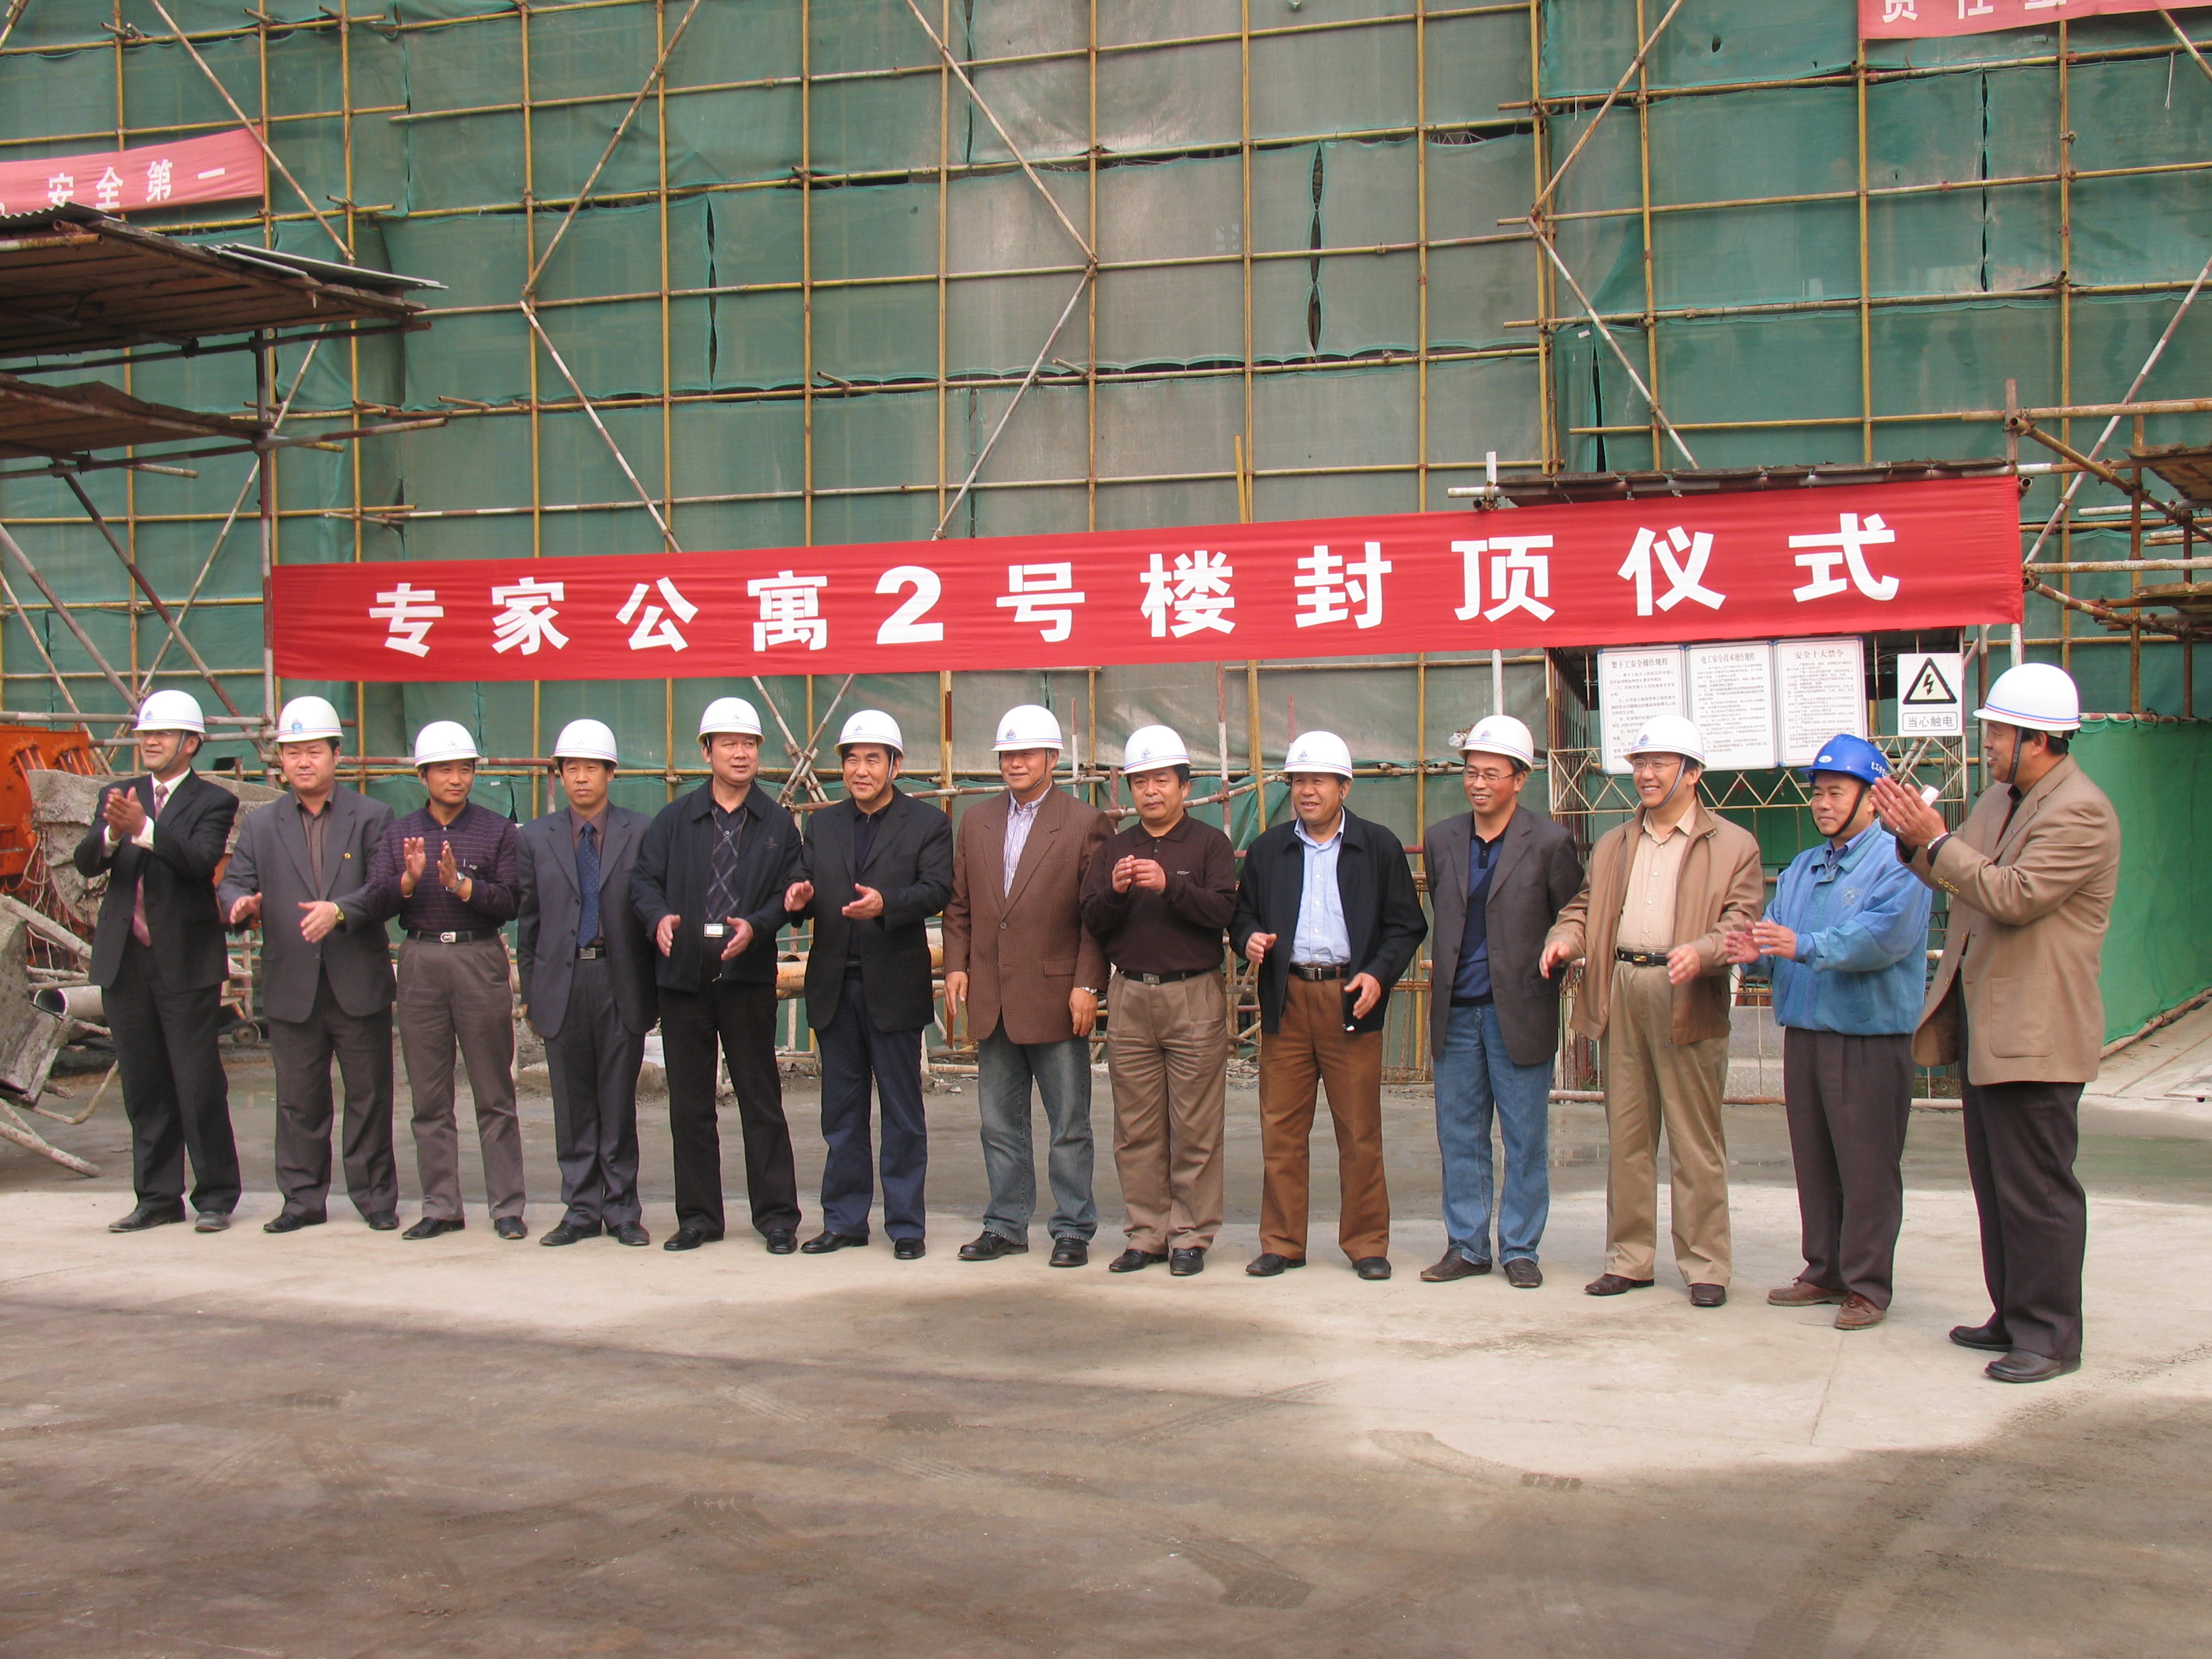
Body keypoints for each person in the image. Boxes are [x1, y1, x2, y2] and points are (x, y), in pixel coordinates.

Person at [1869, 662, 2120, 1383]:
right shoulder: (2003, 799)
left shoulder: (2081, 812)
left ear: (2038, 739)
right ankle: (2012, 1313)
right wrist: (1911, 839)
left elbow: (2012, 894)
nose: (1990, 744)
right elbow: (1957, 874)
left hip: (2038, 1031)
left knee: (2037, 1190)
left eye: (2000, 733)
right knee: (1998, 1183)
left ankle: (2050, 1335)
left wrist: (1937, 839)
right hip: (1991, 1025)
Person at [1540, 716, 1762, 1307]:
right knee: (1628, 1136)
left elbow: (1741, 920)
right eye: (1640, 763)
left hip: (1688, 992)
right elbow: (1585, 907)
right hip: (1621, 987)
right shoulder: (1616, 843)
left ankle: (1706, 1265)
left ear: (1692, 774)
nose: (1646, 774)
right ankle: (1629, 1259)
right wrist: (1564, 939)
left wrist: (1703, 951)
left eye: (1660, 763)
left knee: (1695, 1138)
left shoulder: (1733, 845)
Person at [1723, 733, 1932, 1330]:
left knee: (1867, 1167)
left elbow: (1882, 938)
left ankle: (1867, 1285)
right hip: (1807, 1033)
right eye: (1817, 793)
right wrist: (1756, 953)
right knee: (1815, 1161)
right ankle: (1825, 1269)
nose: (1822, 804)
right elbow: (1777, 936)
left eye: (1836, 792)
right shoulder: (1801, 869)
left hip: (1868, 1039)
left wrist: (1803, 945)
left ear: (1873, 799)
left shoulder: (1901, 862)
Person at [1231, 730, 1427, 1279]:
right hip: (1287, 999)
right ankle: (1282, 1242)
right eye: (1298, 781)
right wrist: (1248, 939)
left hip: (1349, 999)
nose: (1307, 791)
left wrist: (1378, 975)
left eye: (1319, 781)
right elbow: (1242, 914)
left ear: (1345, 787)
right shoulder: (1269, 850)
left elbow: (1406, 926)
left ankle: (1367, 1244)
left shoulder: (1377, 847)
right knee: (1281, 1130)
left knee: (1359, 1130)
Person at [217, 695, 398, 1233]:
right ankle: (301, 1200)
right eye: (292, 752)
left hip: (356, 980)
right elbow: (235, 881)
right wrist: (238, 904)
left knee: (369, 1096)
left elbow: (386, 888)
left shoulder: (371, 817)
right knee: (298, 1101)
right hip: (292, 982)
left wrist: (340, 911)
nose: (302, 762)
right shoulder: (261, 824)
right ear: (281, 759)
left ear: (336, 756)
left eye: (313, 751)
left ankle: (375, 1197)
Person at [631, 697, 806, 1254]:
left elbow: (790, 890)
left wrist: (761, 923)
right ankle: (699, 1218)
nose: (740, 753)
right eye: (728, 743)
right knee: (690, 1106)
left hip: (747, 974)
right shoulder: (674, 819)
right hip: (684, 974)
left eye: (749, 744)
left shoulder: (777, 823)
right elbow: (643, 881)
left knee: (761, 1100)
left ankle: (776, 1218)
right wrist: (657, 917)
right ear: (706, 751)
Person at [942, 703, 1113, 1267]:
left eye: (1026, 754)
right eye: (1007, 755)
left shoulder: (1084, 822)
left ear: (1052, 758)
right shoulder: (977, 822)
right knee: (998, 1122)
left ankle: (1073, 1228)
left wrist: (1088, 984)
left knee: (1069, 1123)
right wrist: (957, 965)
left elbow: (1096, 917)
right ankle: (1006, 1223)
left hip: (1056, 997)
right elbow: (960, 906)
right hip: (992, 996)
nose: (1015, 763)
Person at [1419, 715, 1582, 1289]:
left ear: (1520, 779)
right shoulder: (1442, 839)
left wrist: (1558, 951)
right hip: (1457, 1012)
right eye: (1471, 772)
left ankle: (1519, 1247)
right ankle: (1467, 1245)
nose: (1478, 783)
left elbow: (1571, 912)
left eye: (1492, 773)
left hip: (1520, 1011)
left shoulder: (1551, 843)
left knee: (1524, 1137)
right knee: (1459, 1134)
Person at [785, 710, 953, 1259]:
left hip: (894, 987)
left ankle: (905, 1226)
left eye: (873, 759)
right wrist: (798, 897)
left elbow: (937, 889)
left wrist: (888, 905)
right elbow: (803, 879)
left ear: (895, 765)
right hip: (835, 988)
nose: (861, 770)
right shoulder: (824, 825)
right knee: (841, 1115)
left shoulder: (926, 824)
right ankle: (844, 1221)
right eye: (852, 759)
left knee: (902, 1115)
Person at [76, 690, 242, 1234]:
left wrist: (144, 830)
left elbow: (199, 861)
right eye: (145, 734)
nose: (150, 742)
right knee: (144, 1085)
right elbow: (86, 862)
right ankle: (156, 1197)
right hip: (125, 962)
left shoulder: (213, 801)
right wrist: (112, 832)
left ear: (191, 743)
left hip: (185, 961)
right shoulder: (117, 794)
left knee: (197, 1083)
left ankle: (215, 1196)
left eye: (163, 734)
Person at [1079, 724, 1239, 1275]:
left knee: (1195, 1124)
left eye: (1162, 780)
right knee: (1137, 1125)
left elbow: (1223, 913)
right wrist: (1116, 890)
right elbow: (1091, 919)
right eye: (1141, 781)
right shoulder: (1115, 847)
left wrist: (1170, 885)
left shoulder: (1209, 845)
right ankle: (1146, 1233)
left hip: (1192, 993)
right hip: (1130, 995)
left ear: (1185, 787)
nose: (1150, 791)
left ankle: (1190, 1234)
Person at [361, 720, 527, 1241]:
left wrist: (462, 885)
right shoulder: (400, 833)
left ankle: (507, 1207)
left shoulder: (497, 830)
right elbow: (376, 901)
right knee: (429, 1095)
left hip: (479, 956)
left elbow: (512, 901)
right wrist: (407, 881)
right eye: (445, 769)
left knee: (493, 1090)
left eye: (465, 769)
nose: (456, 779)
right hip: (420, 958)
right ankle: (441, 1206)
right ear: (423, 775)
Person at [518, 719, 657, 1248]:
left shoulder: (641, 832)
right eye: (571, 768)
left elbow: (651, 911)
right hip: (563, 981)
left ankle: (622, 1209)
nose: (581, 777)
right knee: (572, 1104)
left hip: (619, 980)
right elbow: (528, 923)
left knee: (617, 1101)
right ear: (559, 774)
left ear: (610, 773)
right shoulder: (535, 838)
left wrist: (653, 990)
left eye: (591, 767)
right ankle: (580, 1208)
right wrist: (532, 991)